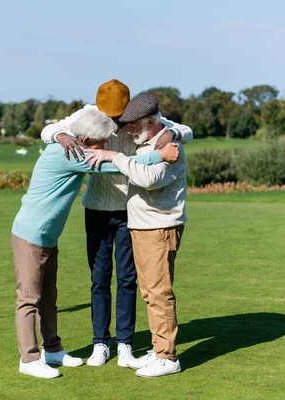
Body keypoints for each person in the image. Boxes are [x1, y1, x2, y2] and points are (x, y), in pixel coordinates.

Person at [12, 108, 179, 379]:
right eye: (101, 143)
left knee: (49, 298)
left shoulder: (75, 146)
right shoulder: (71, 153)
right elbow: (114, 166)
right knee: (29, 299)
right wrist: (159, 155)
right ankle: (29, 359)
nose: (104, 147)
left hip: (47, 236)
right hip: (30, 235)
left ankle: (52, 349)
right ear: (87, 139)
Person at [41, 79, 193, 367]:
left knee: (127, 279)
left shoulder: (135, 117)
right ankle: (101, 343)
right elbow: (48, 129)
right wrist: (62, 136)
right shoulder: (89, 113)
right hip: (96, 208)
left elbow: (185, 131)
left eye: (116, 115)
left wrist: (171, 131)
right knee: (99, 279)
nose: (112, 120)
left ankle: (124, 344)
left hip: (129, 212)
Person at [85, 93, 187, 378]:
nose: (128, 131)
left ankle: (168, 357)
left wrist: (115, 156)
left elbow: (149, 179)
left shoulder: (170, 144)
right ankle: (158, 350)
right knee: (148, 292)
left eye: (134, 125)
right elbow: (138, 165)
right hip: (142, 226)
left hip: (160, 227)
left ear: (152, 121)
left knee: (159, 293)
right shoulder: (146, 146)